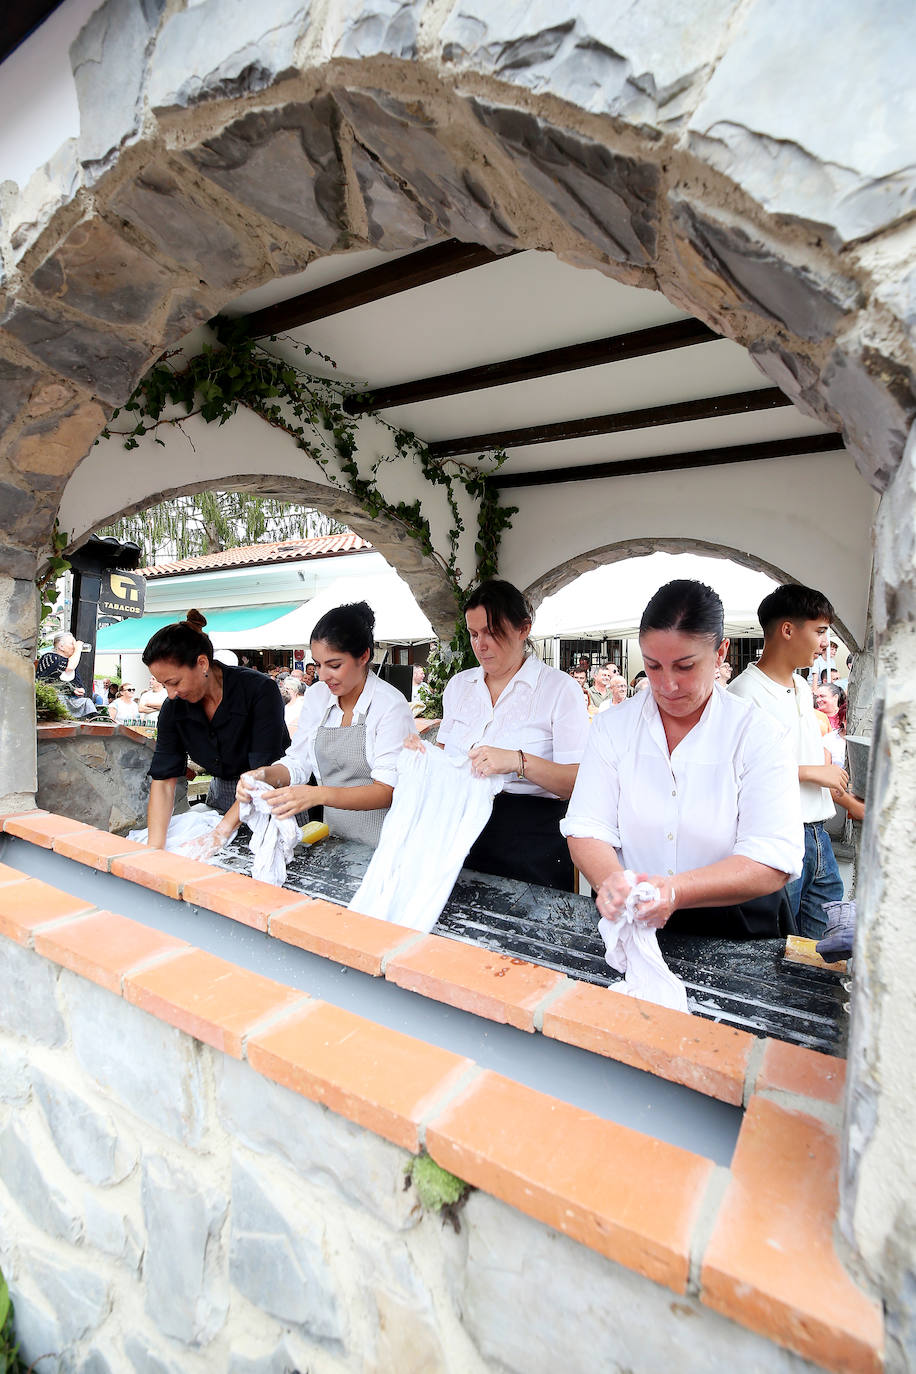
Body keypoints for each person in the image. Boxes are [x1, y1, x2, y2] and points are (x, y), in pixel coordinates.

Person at [563, 579, 803, 939]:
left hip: (734, 924)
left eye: (685, 666)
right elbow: (587, 826)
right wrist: (611, 880)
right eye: (653, 666)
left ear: (721, 652)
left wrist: (675, 891)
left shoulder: (757, 733)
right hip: (635, 919)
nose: (667, 685)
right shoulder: (614, 726)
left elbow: (773, 857)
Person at [417, 579, 590, 891]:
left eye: (492, 632)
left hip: (531, 837)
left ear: (523, 629)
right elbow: (443, 763)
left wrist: (517, 761)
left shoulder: (558, 689)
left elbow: (577, 782)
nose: (480, 644)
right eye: (473, 634)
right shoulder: (460, 686)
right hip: (462, 829)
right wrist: (422, 758)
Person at [236, 602, 417, 846]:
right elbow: (299, 761)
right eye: (318, 664)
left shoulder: (390, 705)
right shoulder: (318, 696)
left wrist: (316, 794)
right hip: (337, 839)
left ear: (363, 655)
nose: (323, 676)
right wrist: (264, 775)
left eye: (334, 665)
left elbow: (387, 790)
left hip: (388, 842)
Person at [729, 583, 847, 938]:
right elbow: (740, 770)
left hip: (819, 835)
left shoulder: (800, 685)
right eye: (820, 631)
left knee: (826, 949)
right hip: (778, 838)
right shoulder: (743, 694)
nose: (825, 643)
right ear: (787, 629)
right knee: (777, 945)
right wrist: (813, 772)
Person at [142, 609, 289, 851]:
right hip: (221, 798)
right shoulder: (173, 709)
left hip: (272, 798)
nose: (170, 693)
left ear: (202, 663)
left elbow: (262, 775)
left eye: (174, 682)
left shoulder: (259, 691)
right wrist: (154, 848)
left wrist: (220, 833)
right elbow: (164, 780)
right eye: (163, 685)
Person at [35, 632, 97, 718]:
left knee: (87, 702)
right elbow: (68, 668)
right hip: (51, 699)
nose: (74, 646)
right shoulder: (50, 657)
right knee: (60, 699)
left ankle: (91, 723)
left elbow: (77, 685)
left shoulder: (73, 664)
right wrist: (78, 648)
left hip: (70, 700)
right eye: (72, 644)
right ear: (61, 646)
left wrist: (77, 690)